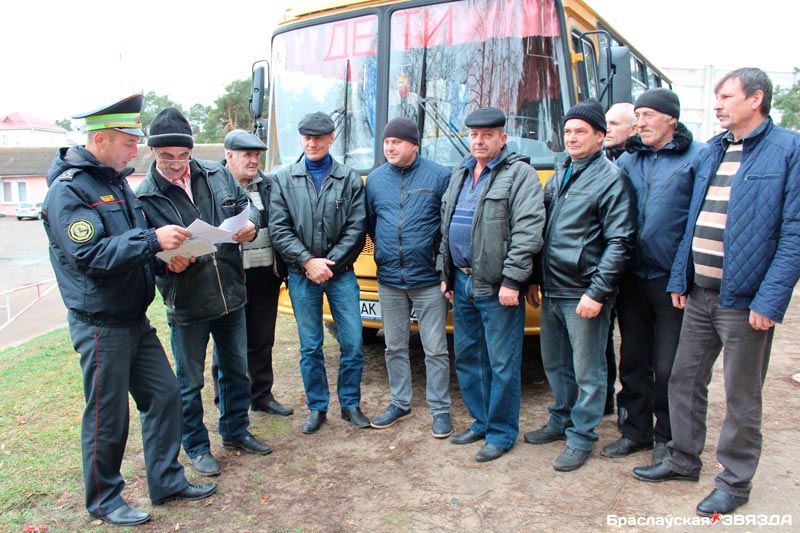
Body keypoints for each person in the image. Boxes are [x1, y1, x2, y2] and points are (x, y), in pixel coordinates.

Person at [632, 68, 800, 517]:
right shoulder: (715, 149)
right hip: (700, 293)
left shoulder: (789, 150)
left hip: (745, 301)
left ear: (756, 98)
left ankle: (734, 482)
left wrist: (770, 300)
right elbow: (693, 219)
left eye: (725, 97)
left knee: (742, 395)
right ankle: (682, 460)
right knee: (683, 379)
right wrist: (680, 278)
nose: (718, 105)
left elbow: (795, 233)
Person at [42, 95, 216, 526]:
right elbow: (90, 255)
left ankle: (166, 480)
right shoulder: (69, 191)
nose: (135, 150)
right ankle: (105, 500)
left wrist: (164, 259)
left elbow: (132, 246)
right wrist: (153, 241)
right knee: (107, 414)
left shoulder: (115, 182)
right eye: (128, 142)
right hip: (101, 324)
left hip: (133, 318)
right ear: (100, 139)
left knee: (164, 394)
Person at [135, 107, 273, 478]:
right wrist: (166, 264)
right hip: (187, 301)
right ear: (152, 152)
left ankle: (236, 431)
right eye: (167, 157)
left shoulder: (215, 173)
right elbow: (141, 251)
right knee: (189, 381)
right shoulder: (143, 196)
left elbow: (247, 207)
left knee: (236, 370)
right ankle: (196, 446)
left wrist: (249, 225)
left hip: (230, 292)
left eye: (183, 156)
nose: (176, 165)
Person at [523, 99, 636, 472]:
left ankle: (582, 436)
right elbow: (544, 231)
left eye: (580, 131)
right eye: (568, 131)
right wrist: (535, 278)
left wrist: (597, 292)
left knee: (588, 371)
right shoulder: (561, 173)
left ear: (600, 136)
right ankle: (561, 419)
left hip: (583, 292)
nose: (571, 137)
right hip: (553, 288)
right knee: (556, 364)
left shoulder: (611, 179)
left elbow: (620, 242)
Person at [602, 89, 706, 464]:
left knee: (668, 367)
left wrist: (682, 276)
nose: (640, 123)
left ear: (670, 120)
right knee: (633, 359)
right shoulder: (629, 159)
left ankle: (667, 437)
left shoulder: (697, 158)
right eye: (638, 116)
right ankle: (636, 432)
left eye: (647, 115)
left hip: (671, 282)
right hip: (632, 278)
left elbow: (695, 223)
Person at [438, 107, 545, 462]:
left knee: (502, 362)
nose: (479, 141)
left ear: (503, 138)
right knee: (469, 358)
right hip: (462, 282)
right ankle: (481, 421)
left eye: (487, 135)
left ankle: (501, 432)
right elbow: (446, 227)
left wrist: (513, 280)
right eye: (474, 135)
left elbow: (528, 231)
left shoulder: (520, 174)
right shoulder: (461, 172)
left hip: (499, 286)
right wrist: (446, 273)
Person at [269, 111, 370, 434]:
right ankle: (317, 407)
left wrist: (329, 264)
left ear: (331, 139)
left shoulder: (349, 179)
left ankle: (350, 404)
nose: (312, 143)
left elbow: (357, 228)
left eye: (318, 138)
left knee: (352, 343)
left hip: (341, 274)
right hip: (301, 276)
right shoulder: (283, 179)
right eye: (306, 137)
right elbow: (279, 228)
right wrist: (307, 262)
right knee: (310, 346)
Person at [365, 117, 453, 437]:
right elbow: (372, 224)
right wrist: (386, 254)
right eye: (386, 142)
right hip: (389, 279)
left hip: (428, 279)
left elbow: (446, 228)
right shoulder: (375, 180)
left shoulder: (439, 176)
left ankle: (440, 410)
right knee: (394, 347)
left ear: (414, 145)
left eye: (396, 142)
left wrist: (443, 270)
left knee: (435, 349)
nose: (389, 147)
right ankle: (400, 403)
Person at [210, 130, 293, 417]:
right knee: (227, 344)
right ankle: (226, 401)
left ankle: (261, 395)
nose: (254, 161)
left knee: (262, 339)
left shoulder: (268, 185)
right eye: (247, 155)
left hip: (265, 275)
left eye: (257, 155)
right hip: (229, 277)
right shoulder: (212, 183)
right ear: (229, 156)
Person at [602, 101, 637, 423]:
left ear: (634, 127)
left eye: (614, 123)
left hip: (635, 270)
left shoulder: (632, 163)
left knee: (634, 345)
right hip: (604, 268)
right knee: (602, 341)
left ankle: (632, 408)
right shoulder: (602, 159)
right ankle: (605, 401)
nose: (607, 128)